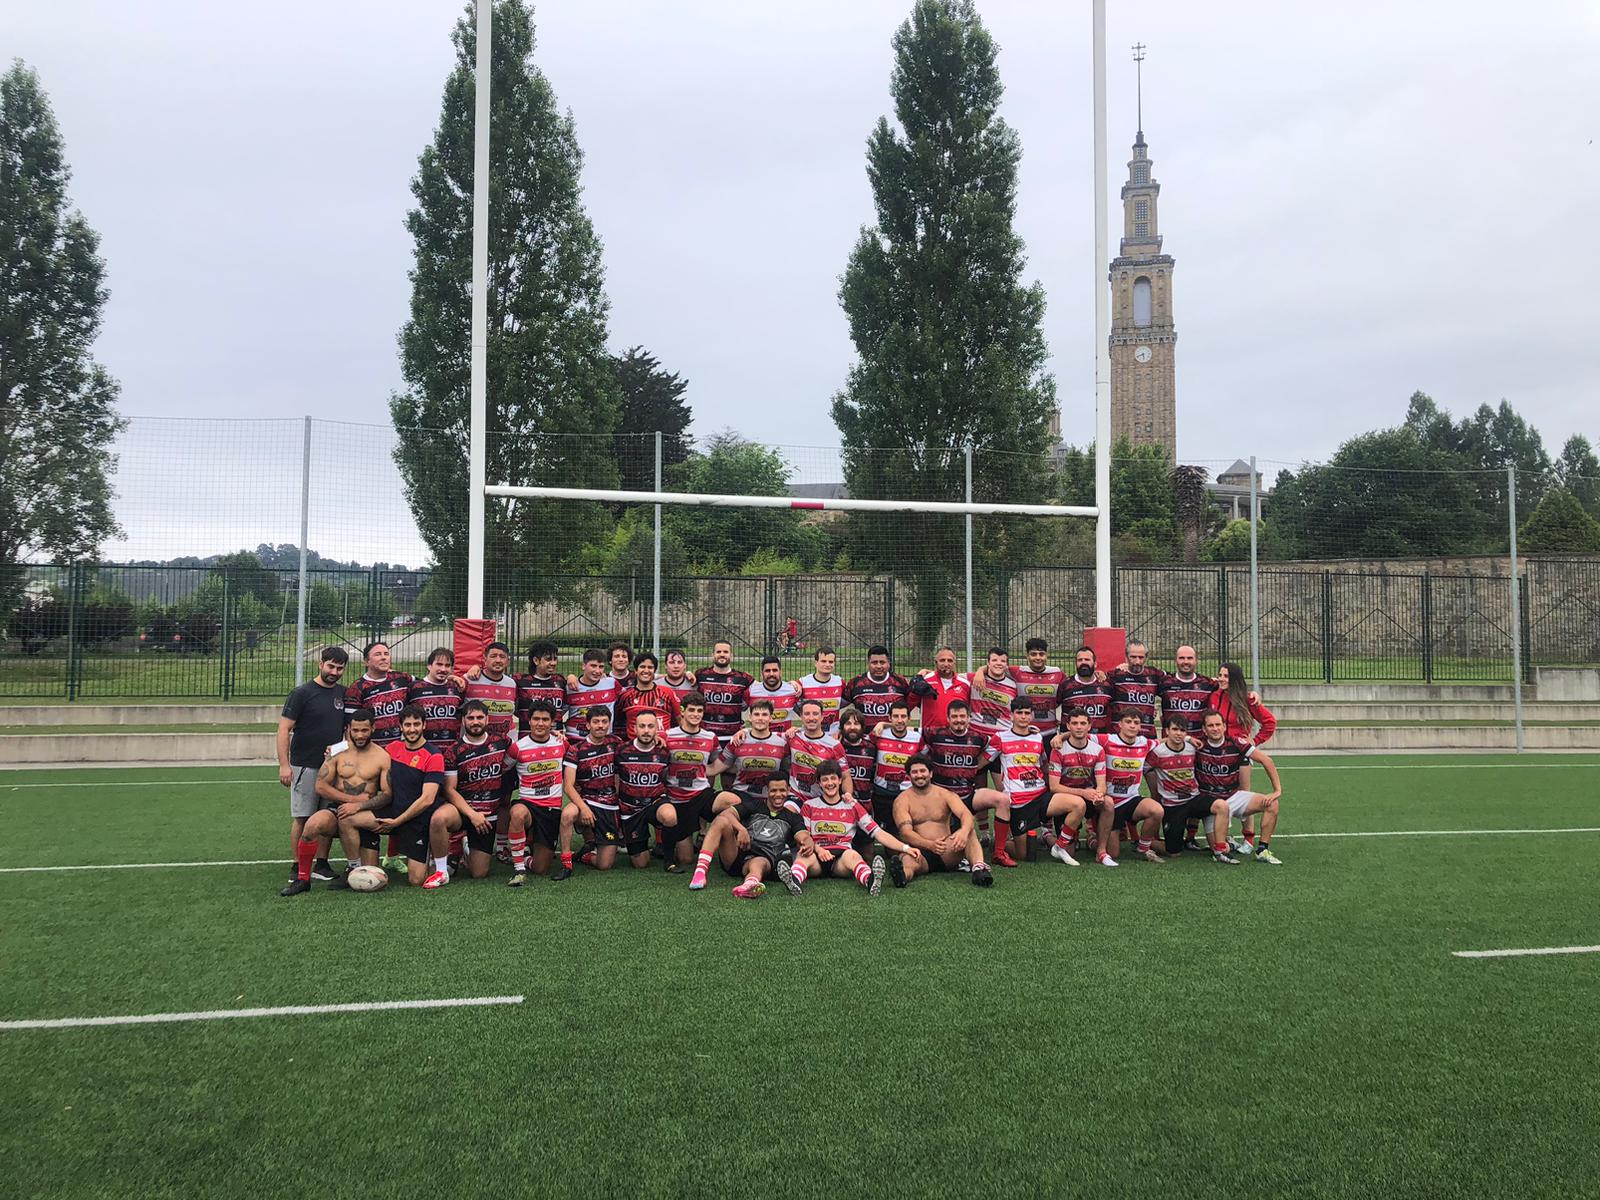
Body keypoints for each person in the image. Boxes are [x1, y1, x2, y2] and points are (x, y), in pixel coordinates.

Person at [334, 705, 444, 888]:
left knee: (416, 880)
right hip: (392, 811)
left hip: (416, 819)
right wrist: (335, 749)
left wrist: (398, 821)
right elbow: (363, 746)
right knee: (346, 818)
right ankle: (353, 868)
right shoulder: (392, 749)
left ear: (424, 725)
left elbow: (427, 800)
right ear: (401, 726)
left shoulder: (433, 755)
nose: (412, 729)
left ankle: (433, 858)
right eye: (407, 725)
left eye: (416, 724)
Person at [971, 696, 1085, 868]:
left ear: (1031, 715)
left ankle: (1059, 846)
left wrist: (1056, 785)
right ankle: (1000, 844)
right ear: (1011, 715)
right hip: (1019, 803)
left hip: (1041, 797)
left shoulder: (1037, 737)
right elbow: (982, 762)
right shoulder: (1000, 738)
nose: (1023, 716)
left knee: (1078, 804)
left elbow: (1044, 766)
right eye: (1019, 713)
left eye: (1027, 713)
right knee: (1024, 854)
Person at [279, 704, 380, 895]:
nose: (360, 735)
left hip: (365, 814)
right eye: (355, 730)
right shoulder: (336, 751)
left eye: (364, 730)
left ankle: (353, 867)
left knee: (371, 873)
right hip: (338, 810)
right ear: (348, 729)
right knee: (312, 824)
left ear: (373, 729)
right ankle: (302, 878)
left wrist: (360, 805)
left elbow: (388, 794)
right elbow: (320, 786)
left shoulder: (382, 755)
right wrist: (351, 800)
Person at [786, 761, 919, 897]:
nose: (830, 783)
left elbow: (878, 833)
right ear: (819, 783)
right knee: (803, 856)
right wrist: (819, 850)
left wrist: (906, 848)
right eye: (825, 780)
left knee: (853, 855)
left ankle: (871, 880)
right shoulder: (809, 806)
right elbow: (805, 837)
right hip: (817, 858)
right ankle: (794, 881)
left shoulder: (852, 806)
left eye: (833, 778)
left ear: (840, 780)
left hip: (841, 860)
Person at [277, 645, 350, 888]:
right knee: (303, 817)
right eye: (331, 666)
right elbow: (284, 729)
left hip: (332, 768)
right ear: (320, 664)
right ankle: (297, 865)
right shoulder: (302, 693)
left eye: (340, 668)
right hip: (305, 765)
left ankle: (321, 864)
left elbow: (347, 733)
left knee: (327, 816)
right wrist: (284, 765)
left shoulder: (343, 694)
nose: (334, 672)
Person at [426, 699, 513, 886]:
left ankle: (465, 846)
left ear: (487, 719)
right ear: (463, 721)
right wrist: (472, 814)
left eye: (480, 717)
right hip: (463, 810)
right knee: (438, 819)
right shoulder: (454, 751)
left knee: (479, 873)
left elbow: (524, 751)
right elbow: (449, 789)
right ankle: (441, 871)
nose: (475, 722)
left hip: (488, 816)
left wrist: (556, 736)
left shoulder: (501, 741)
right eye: (471, 718)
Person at [689, 774, 806, 897]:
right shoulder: (755, 805)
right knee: (720, 821)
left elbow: (803, 836)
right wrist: (742, 830)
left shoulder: (793, 817)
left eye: (782, 790)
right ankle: (700, 873)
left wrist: (806, 842)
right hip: (737, 854)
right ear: (767, 790)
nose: (778, 794)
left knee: (758, 862)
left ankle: (749, 885)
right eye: (773, 790)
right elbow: (726, 814)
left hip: (764, 858)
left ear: (788, 790)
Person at [1194, 709, 1285, 865]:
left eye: (1218, 725)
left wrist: (1277, 790)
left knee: (1272, 804)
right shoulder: (1198, 745)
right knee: (1218, 848)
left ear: (1224, 727)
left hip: (1233, 797)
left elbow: (1266, 760)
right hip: (1212, 804)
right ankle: (1231, 844)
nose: (1215, 728)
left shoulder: (1236, 743)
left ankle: (1262, 850)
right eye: (1210, 725)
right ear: (1204, 729)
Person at [1145, 713, 1237, 864]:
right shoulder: (1158, 752)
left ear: (1186, 733)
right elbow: (1146, 769)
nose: (1178, 733)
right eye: (1175, 729)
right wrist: (1155, 791)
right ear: (1167, 731)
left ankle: (1220, 849)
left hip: (1194, 799)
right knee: (1173, 853)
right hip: (1172, 805)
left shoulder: (1192, 748)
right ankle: (1145, 842)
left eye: (1182, 730)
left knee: (1221, 805)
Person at [891, 755, 992, 886]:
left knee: (969, 831)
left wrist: (963, 832)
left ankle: (979, 870)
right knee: (907, 861)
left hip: (946, 850)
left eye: (922, 771)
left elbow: (965, 814)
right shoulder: (902, 800)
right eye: (914, 772)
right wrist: (930, 845)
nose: (919, 775)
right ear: (909, 776)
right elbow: (905, 833)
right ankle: (902, 876)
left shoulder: (945, 794)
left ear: (930, 773)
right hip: (920, 852)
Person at [553, 706, 624, 880]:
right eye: (596, 722)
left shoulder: (616, 743)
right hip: (587, 800)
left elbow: (639, 748)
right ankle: (566, 863)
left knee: (604, 865)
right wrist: (584, 808)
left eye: (604, 722)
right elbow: (568, 786)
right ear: (587, 725)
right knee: (568, 814)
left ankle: (585, 855)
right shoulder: (576, 749)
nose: (600, 725)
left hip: (610, 804)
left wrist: (658, 738)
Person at [658, 691, 726, 872]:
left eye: (699, 711)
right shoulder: (667, 735)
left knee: (731, 801)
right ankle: (668, 846)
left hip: (701, 794)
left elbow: (718, 761)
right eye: (692, 710)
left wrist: (706, 771)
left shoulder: (710, 737)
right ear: (683, 711)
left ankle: (723, 846)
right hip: (677, 798)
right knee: (686, 858)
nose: (696, 714)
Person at [504, 699, 567, 885]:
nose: (540, 723)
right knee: (517, 813)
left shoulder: (562, 744)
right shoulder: (518, 747)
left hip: (551, 809)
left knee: (541, 869)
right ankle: (519, 868)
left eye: (545, 720)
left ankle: (526, 854)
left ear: (552, 722)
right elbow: (503, 770)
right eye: (536, 719)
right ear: (529, 721)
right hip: (528, 805)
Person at [1048, 708, 1116, 868]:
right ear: (1068, 726)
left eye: (1083, 723)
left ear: (1089, 726)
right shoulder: (1058, 750)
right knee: (1070, 851)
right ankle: (1050, 837)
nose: (1079, 727)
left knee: (1108, 803)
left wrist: (1099, 794)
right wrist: (1083, 793)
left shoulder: (1098, 750)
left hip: (1088, 797)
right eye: (1075, 723)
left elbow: (1101, 783)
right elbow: (1054, 787)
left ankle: (1101, 852)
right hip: (1067, 799)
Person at [1098, 708, 1163, 863]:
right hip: (1109, 803)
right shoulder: (1107, 739)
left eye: (1136, 722)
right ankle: (1093, 840)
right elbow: (1081, 735)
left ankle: (1143, 848)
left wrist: (1188, 738)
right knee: (1113, 854)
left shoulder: (1144, 743)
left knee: (1157, 811)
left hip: (1130, 800)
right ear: (1120, 724)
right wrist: (1061, 737)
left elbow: (1163, 741)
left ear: (1140, 726)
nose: (1132, 725)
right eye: (1128, 722)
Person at [616, 709, 675, 869]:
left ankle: (669, 858)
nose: (646, 731)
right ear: (634, 728)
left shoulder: (664, 750)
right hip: (631, 810)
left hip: (655, 803)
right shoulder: (621, 750)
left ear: (657, 729)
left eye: (650, 726)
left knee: (669, 816)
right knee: (640, 863)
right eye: (642, 726)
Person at [921, 699, 991, 822]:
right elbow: (907, 732)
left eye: (962, 716)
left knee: (1002, 800)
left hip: (967, 794)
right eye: (954, 716)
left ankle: (985, 831)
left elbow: (998, 744)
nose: (959, 720)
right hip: (940, 794)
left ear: (969, 718)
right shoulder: (935, 734)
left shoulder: (979, 738)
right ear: (948, 719)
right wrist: (885, 726)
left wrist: (979, 763)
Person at [715, 698, 789, 804]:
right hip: (741, 796)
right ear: (750, 717)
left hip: (769, 799)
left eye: (764, 715)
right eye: (756, 714)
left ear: (771, 718)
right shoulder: (737, 740)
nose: (760, 718)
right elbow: (716, 767)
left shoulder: (782, 742)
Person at [863, 699, 923, 830]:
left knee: (905, 830)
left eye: (903, 716)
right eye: (896, 716)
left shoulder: (917, 737)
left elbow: (925, 758)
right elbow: (860, 743)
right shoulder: (879, 733)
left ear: (909, 718)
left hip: (906, 793)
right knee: (883, 831)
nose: (900, 720)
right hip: (881, 792)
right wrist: (881, 724)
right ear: (890, 718)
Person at [344, 641, 412, 746]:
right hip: (374, 750)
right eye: (378, 654)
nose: (384, 658)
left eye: (386, 654)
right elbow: (350, 726)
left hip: (403, 747)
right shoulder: (357, 688)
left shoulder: (402, 678)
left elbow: (425, 683)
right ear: (367, 662)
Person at [693, 641, 754, 745]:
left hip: (733, 738)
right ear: (713, 655)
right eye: (718, 652)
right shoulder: (700, 675)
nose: (722, 654)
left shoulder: (743, 678)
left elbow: (762, 689)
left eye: (725, 652)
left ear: (731, 656)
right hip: (705, 737)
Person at [614, 650, 682, 740]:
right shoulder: (625, 696)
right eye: (642, 667)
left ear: (654, 671)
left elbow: (680, 720)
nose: (646, 671)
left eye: (650, 667)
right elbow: (617, 723)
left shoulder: (667, 693)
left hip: (663, 745)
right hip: (634, 746)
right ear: (636, 671)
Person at [1011, 637, 1067, 742]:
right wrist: (980, 672)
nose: (1038, 658)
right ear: (1027, 655)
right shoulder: (1017, 672)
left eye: (1041, 654)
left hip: (1050, 732)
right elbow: (995, 668)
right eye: (1033, 654)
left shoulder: (1057, 673)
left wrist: (1097, 673)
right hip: (1025, 731)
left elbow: (1070, 687)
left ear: (1046, 655)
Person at [408, 647, 465, 744]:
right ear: (429, 666)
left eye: (447, 665)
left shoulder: (457, 687)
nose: (443, 669)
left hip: (451, 748)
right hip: (423, 749)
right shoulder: (414, 688)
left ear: (451, 669)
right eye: (439, 664)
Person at [1210, 662, 1277, 745]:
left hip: (1239, 749)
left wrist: (1255, 741)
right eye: (1220, 675)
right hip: (1216, 748)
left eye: (1226, 676)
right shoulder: (1213, 695)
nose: (1221, 679)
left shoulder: (1248, 699)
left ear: (1235, 679)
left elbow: (1270, 722)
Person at [842, 645, 911, 724]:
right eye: (874, 663)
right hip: (865, 732)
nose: (878, 666)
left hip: (892, 731)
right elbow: (839, 703)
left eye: (882, 662)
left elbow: (913, 702)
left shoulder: (900, 682)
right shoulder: (855, 683)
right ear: (868, 663)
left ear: (888, 663)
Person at [463, 640, 519, 739]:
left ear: (508, 661)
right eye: (493, 656)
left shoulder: (512, 684)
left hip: (507, 741)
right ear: (485, 659)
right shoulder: (469, 679)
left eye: (502, 657)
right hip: (477, 742)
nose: (498, 660)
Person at [1153, 645, 1215, 733]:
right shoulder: (1164, 682)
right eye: (1181, 658)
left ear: (1196, 660)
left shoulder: (1208, 683)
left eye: (1190, 658)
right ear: (1175, 660)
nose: (1186, 662)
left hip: (1198, 739)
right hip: (1171, 739)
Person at [1107, 640, 1162, 740]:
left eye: (1141, 657)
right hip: (1119, 737)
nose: (1137, 661)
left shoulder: (1154, 675)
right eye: (1133, 657)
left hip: (1147, 737)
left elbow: (1175, 682)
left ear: (1146, 658)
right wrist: (1099, 673)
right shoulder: (1115, 676)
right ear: (1126, 657)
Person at [907, 646, 971, 729]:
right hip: (929, 734)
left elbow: (971, 712)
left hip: (956, 734)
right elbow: (908, 706)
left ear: (954, 663)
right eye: (942, 660)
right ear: (936, 662)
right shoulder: (925, 681)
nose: (946, 664)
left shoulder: (965, 684)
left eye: (950, 660)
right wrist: (914, 692)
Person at [564, 648, 619, 742]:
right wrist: (570, 676)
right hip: (576, 739)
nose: (597, 671)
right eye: (593, 666)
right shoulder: (570, 687)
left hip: (604, 739)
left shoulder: (611, 684)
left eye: (601, 667)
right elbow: (557, 714)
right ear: (583, 666)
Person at [965, 647, 1019, 741]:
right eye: (994, 660)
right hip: (976, 735)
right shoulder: (974, 678)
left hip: (1002, 737)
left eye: (1003, 661)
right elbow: (950, 677)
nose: (998, 663)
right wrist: (979, 671)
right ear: (988, 663)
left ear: (1007, 665)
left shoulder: (1013, 685)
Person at [1059, 646, 1115, 734]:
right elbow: (1053, 705)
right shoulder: (1065, 685)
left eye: (1087, 660)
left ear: (1095, 664)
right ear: (1076, 663)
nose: (1083, 662)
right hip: (1071, 739)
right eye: (1080, 660)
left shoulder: (1106, 685)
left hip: (1100, 739)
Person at [515, 639, 566, 735]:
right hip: (527, 738)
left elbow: (566, 706)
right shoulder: (520, 682)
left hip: (556, 739)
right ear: (536, 660)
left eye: (555, 659)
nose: (553, 663)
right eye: (548, 659)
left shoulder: (561, 681)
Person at [744, 655, 799, 733]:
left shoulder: (793, 690)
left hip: (783, 739)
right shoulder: (751, 691)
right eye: (767, 671)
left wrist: (798, 729)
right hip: (760, 739)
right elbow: (737, 709)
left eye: (775, 670)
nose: (771, 674)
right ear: (762, 673)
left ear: (780, 672)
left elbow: (806, 715)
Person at [795, 646, 844, 731]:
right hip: (811, 732)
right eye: (823, 661)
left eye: (831, 662)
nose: (827, 664)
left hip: (834, 733)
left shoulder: (839, 681)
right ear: (816, 663)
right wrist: (792, 683)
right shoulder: (803, 682)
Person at [836, 706, 877, 803]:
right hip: (840, 803)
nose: (852, 727)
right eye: (848, 724)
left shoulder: (871, 747)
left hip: (865, 803)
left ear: (862, 727)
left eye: (856, 724)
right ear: (842, 727)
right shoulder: (835, 746)